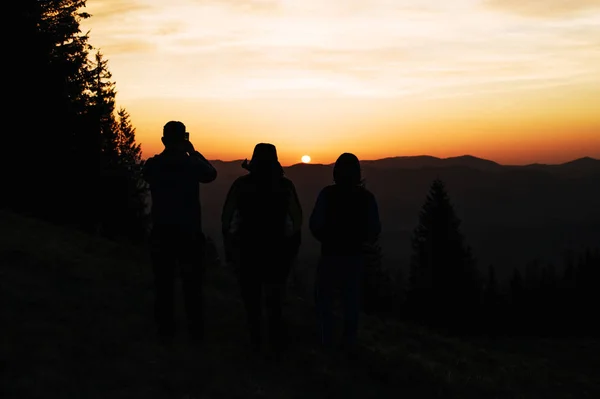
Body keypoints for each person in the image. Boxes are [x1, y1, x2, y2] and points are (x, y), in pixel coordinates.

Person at [221, 143, 302, 358]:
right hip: (277, 251)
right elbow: (297, 219)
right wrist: (292, 246)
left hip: (247, 250)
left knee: (252, 301)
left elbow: (226, 218)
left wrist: (229, 245)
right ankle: (276, 346)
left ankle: (256, 345)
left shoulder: (241, 185)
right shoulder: (285, 186)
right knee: (275, 301)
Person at [142, 121, 217, 346]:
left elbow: (147, 175)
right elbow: (211, 174)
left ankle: (165, 331)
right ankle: (196, 332)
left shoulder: (154, 165)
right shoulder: (191, 164)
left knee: (163, 284)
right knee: (192, 285)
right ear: (183, 139)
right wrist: (192, 151)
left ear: (164, 140)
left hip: (162, 231)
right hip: (189, 232)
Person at [309, 152, 381, 350]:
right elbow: (374, 229)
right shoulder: (366, 198)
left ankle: (327, 341)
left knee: (325, 300)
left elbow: (315, 224)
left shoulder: (327, 194)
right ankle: (349, 343)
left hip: (330, 255)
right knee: (351, 302)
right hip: (354, 257)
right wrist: (360, 242)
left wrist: (327, 239)